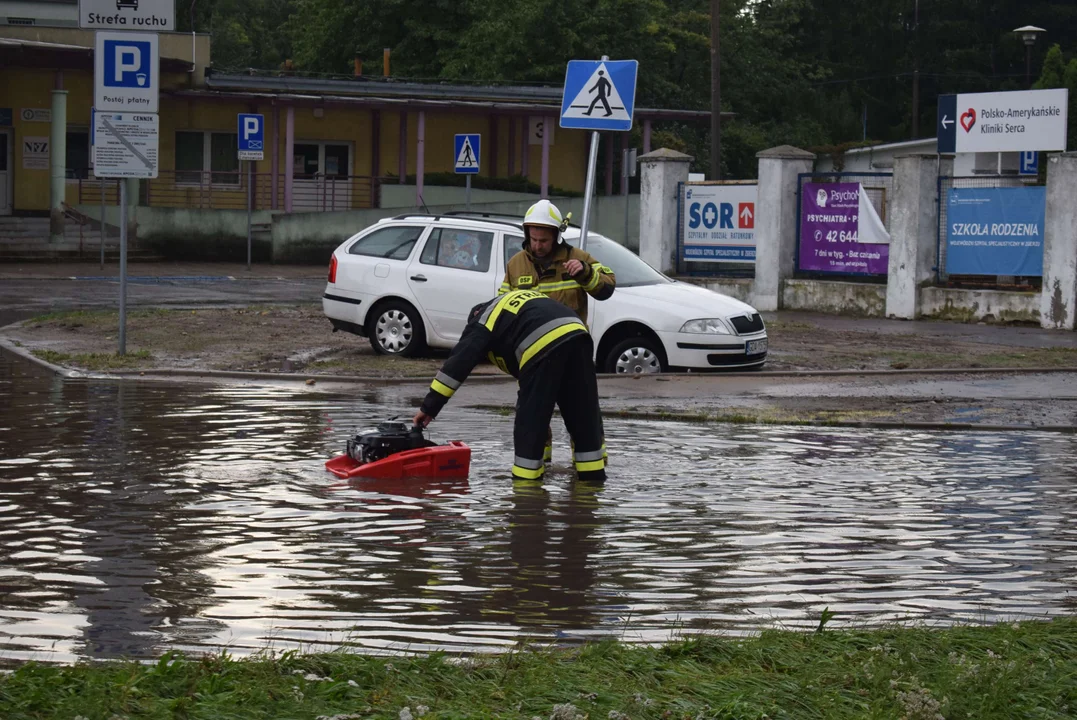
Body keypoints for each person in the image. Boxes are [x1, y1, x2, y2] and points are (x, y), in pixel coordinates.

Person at [412, 289, 607, 483]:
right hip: (578, 334)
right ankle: (592, 485)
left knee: (531, 419)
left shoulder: (483, 320)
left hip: (542, 341)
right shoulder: (516, 305)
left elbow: (457, 365)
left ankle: (526, 495)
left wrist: (429, 407)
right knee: (583, 414)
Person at [501, 199, 616, 464]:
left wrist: (585, 274)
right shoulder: (516, 264)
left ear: (556, 236)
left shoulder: (578, 259)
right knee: (532, 418)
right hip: (532, 357)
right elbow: (504, 308)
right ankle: (538, 469)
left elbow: (608, 287)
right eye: (533, 239)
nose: (538, 245)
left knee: (583, 415)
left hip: (573, 355)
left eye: (544, 240)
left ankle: (591, 475)